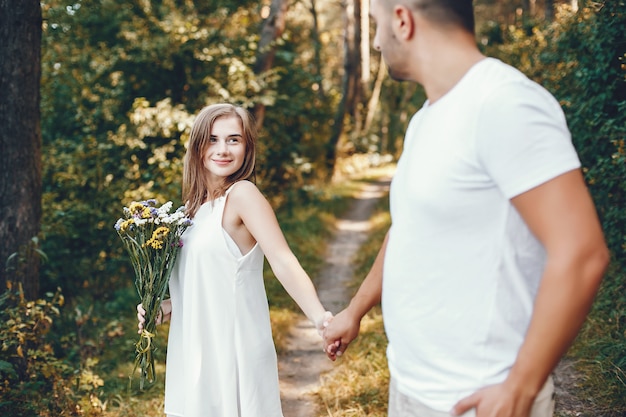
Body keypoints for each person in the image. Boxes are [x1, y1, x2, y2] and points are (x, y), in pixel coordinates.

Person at [323, 1, 609, 417]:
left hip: (477, 400)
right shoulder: (426, 118)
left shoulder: (505, 102)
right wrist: (354, 311)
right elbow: (407, 230)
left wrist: (520, 387)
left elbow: (582, 254)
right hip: (411, 385)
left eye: (378, 26)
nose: (379, 42)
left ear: (402, 20)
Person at [137, 103, 332, 417]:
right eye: (213, 139)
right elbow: (206, 279)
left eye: (234, 139)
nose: (222, 149)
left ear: (247, 147)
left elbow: (283, 260)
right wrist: (164, 307)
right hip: (194, 352)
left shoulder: (242, 195)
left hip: (233, 349)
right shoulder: (191, 209)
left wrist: (320, 319)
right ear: (198, 145)